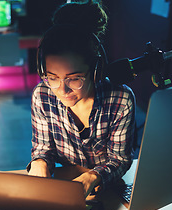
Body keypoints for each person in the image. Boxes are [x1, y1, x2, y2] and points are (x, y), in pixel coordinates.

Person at [27, 0, 136, 198]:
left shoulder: (121, 100)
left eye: (74, 78)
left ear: (96, 72)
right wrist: (40, 162)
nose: (62, 90)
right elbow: (43, 148)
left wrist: (93, 177)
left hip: (107, 188)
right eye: (52, 77)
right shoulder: (42, 95)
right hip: (66, 186)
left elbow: (120, 159)